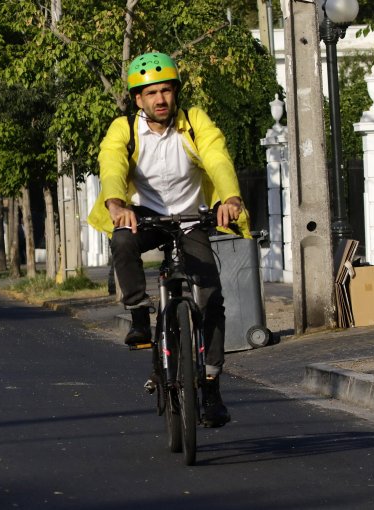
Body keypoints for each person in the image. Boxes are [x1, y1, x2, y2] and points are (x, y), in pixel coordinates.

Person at [86, 51, 248, 428]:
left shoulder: (194, 122)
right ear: (138, 99)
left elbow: (217, 157)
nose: (160, 99)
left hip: (191, 219)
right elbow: (111, 163)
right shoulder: (122, 129)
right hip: (143, 216)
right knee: (122, 241)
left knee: (210, 295)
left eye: (166, 91)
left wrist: (230, 198)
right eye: (151, 93)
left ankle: (210, 383)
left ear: (176, 93)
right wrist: (115, 204)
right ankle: (140, 313)